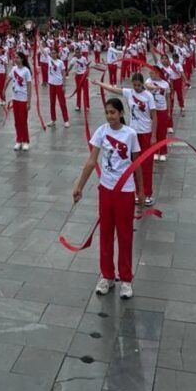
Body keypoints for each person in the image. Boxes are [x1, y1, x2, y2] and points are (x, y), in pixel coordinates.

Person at [72, 98, 143, 299]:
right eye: (107, 112)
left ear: (121, 113)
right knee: (105, 233)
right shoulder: (101, 132)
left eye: (113, 112)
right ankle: (107, 276)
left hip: (125, 191)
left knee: (125, 235)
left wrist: (141, 190)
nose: (110, 116)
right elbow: (91, 161)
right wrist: (79, 186)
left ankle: (126, 279)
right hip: (106, 189)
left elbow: (137, 164)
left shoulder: (130, 134)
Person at [93, 72, 156, 205]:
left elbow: (154, 116)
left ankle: (147, 193)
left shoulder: (148, 96)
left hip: (145, 133)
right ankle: (136, 192)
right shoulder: (129, 93)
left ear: (143, 84)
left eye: (139, 85)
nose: (137, 88)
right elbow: (113, 89)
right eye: (134, 85)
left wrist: (154, 135)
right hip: (133, 133)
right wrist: (99, 83)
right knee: (133, 164)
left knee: (146, 164)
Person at [9, 51, 33, 151]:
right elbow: (8, 79)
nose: (16, 59)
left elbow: (29, 86)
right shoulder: (13, 69)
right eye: (15, 57)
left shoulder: (26, 71)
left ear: (22, 59)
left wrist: (29, 102)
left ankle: (25, 141)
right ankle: (18, 140)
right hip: (15, 99)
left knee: (23, 121)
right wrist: (3, 90)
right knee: (17, 121)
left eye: (18, 57)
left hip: (23, 99)